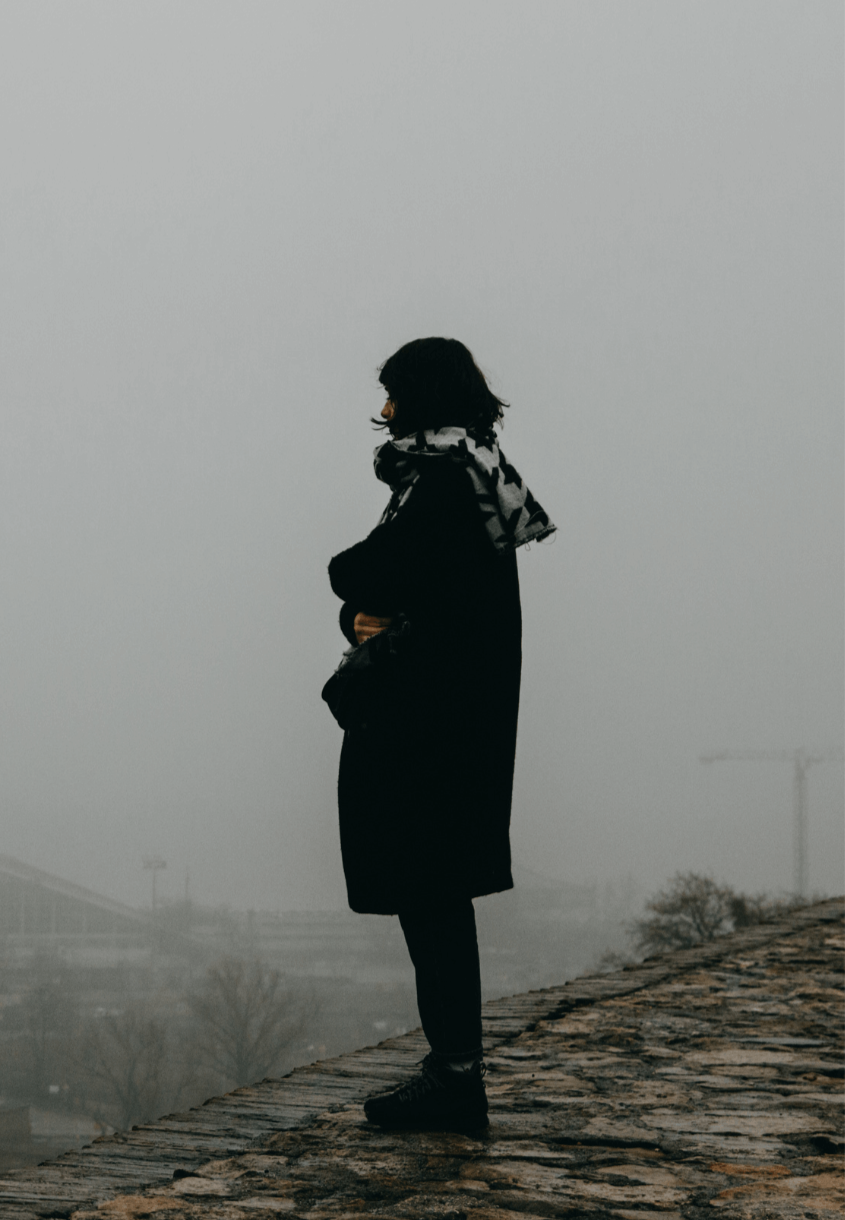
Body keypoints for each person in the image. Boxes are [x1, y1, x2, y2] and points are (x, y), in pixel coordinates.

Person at [327, 337, 555, 1132]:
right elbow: (400, 591)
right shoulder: (472, 479)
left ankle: (455, 1075)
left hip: (429, 730)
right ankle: (451, 1069)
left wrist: (353, 588)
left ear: (421, 397)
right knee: (433, 899)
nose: (383, 412)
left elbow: (368, 571)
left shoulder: (446, 485)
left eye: (393, 394)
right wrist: (366, 607)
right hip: (450, 723)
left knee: (430, 900)